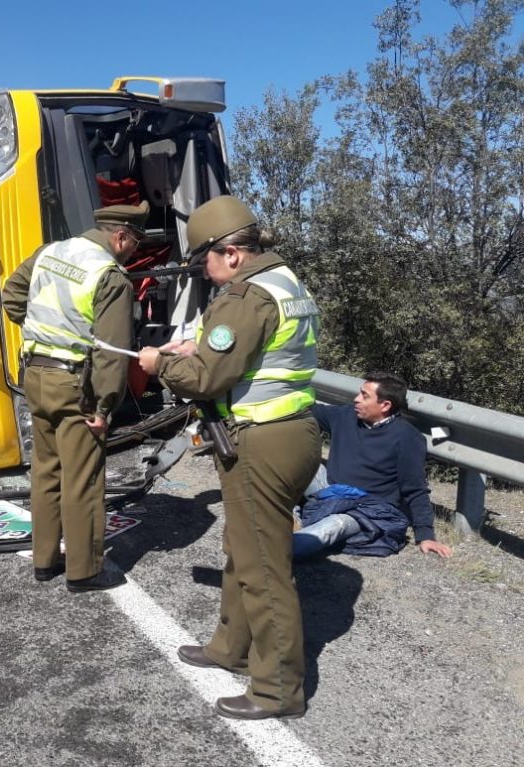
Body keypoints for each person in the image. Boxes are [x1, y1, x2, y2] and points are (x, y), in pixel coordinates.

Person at [138, 195, 320, 721]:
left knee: (264, 568)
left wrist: (157, 365)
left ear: (232, 254)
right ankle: (230, 647)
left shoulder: (246, 296)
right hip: (289, 432)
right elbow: (249, 353)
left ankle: (277, 688)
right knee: (245, 549)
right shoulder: (287, 284)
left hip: (262, 439)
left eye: (205, 261)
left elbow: (207, 379)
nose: (205, 271)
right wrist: (196, 348)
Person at [1, 201, 149, 592]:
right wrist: (105, 405)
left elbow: (12, 295)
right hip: (74, 385)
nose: (135, 250)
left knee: (46, 471)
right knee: (82, 479)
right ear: (120, 236)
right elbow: (111, 351)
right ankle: (84, 571)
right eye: (135, 242)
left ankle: (45, 561)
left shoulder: (50, 252)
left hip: (35, 374)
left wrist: (44, 331)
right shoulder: (110, 276)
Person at [293, 372, 453, 560]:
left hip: (365, 510)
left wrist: (426, 536)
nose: (356, 399)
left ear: (385, 405)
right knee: (290, 458)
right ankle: (289, 516)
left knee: (336, 525)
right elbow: (306, 412)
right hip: (329, 490)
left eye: (364, 396)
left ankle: (275, 553)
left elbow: (415, 488)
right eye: (359, 393)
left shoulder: (406, 437)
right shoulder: (345, 416)